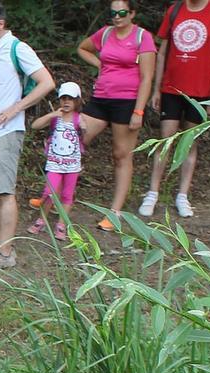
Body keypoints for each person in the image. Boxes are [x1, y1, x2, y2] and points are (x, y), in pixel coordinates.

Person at [0, 0, 55, 271]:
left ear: (0, 24)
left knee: (4, 192)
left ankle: (5, 254)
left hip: (4, 133)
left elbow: (47, 82)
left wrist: (16, 107)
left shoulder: (18, 49)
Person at [138, 0, 210, 219]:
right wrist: (157, 89)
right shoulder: (175, 10)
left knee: (189, 143)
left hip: (200, 91)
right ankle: (152, 193)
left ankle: (182, 195)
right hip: (172, 88)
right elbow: (162, 53)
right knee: (165, 140)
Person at [76, 0, 156, 231]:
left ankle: (115, 212)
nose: (117, 17)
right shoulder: (106, 33)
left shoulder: (143, 37)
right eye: (113, 13)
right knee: (74, 139)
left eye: (122, 13)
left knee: (121, 154)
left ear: (132, 13)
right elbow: (82, 48)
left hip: (127, 101)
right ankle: (55, 195)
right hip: (101, 98)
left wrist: (139, 111)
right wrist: (100, 63)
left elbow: (147, 78)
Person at [29, 82, 86, 241]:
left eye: (70, 99)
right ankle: (42, 219)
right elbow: (35, 126)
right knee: (49, 192)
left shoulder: (78, 119)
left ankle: (62, 224)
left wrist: (84, 128)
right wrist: (51, 115)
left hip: (72, 164)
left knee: (67, 195)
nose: (66, 102)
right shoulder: (56, 119)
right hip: (54, 163)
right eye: (63, 98)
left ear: (77, 101)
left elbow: (85, 136)